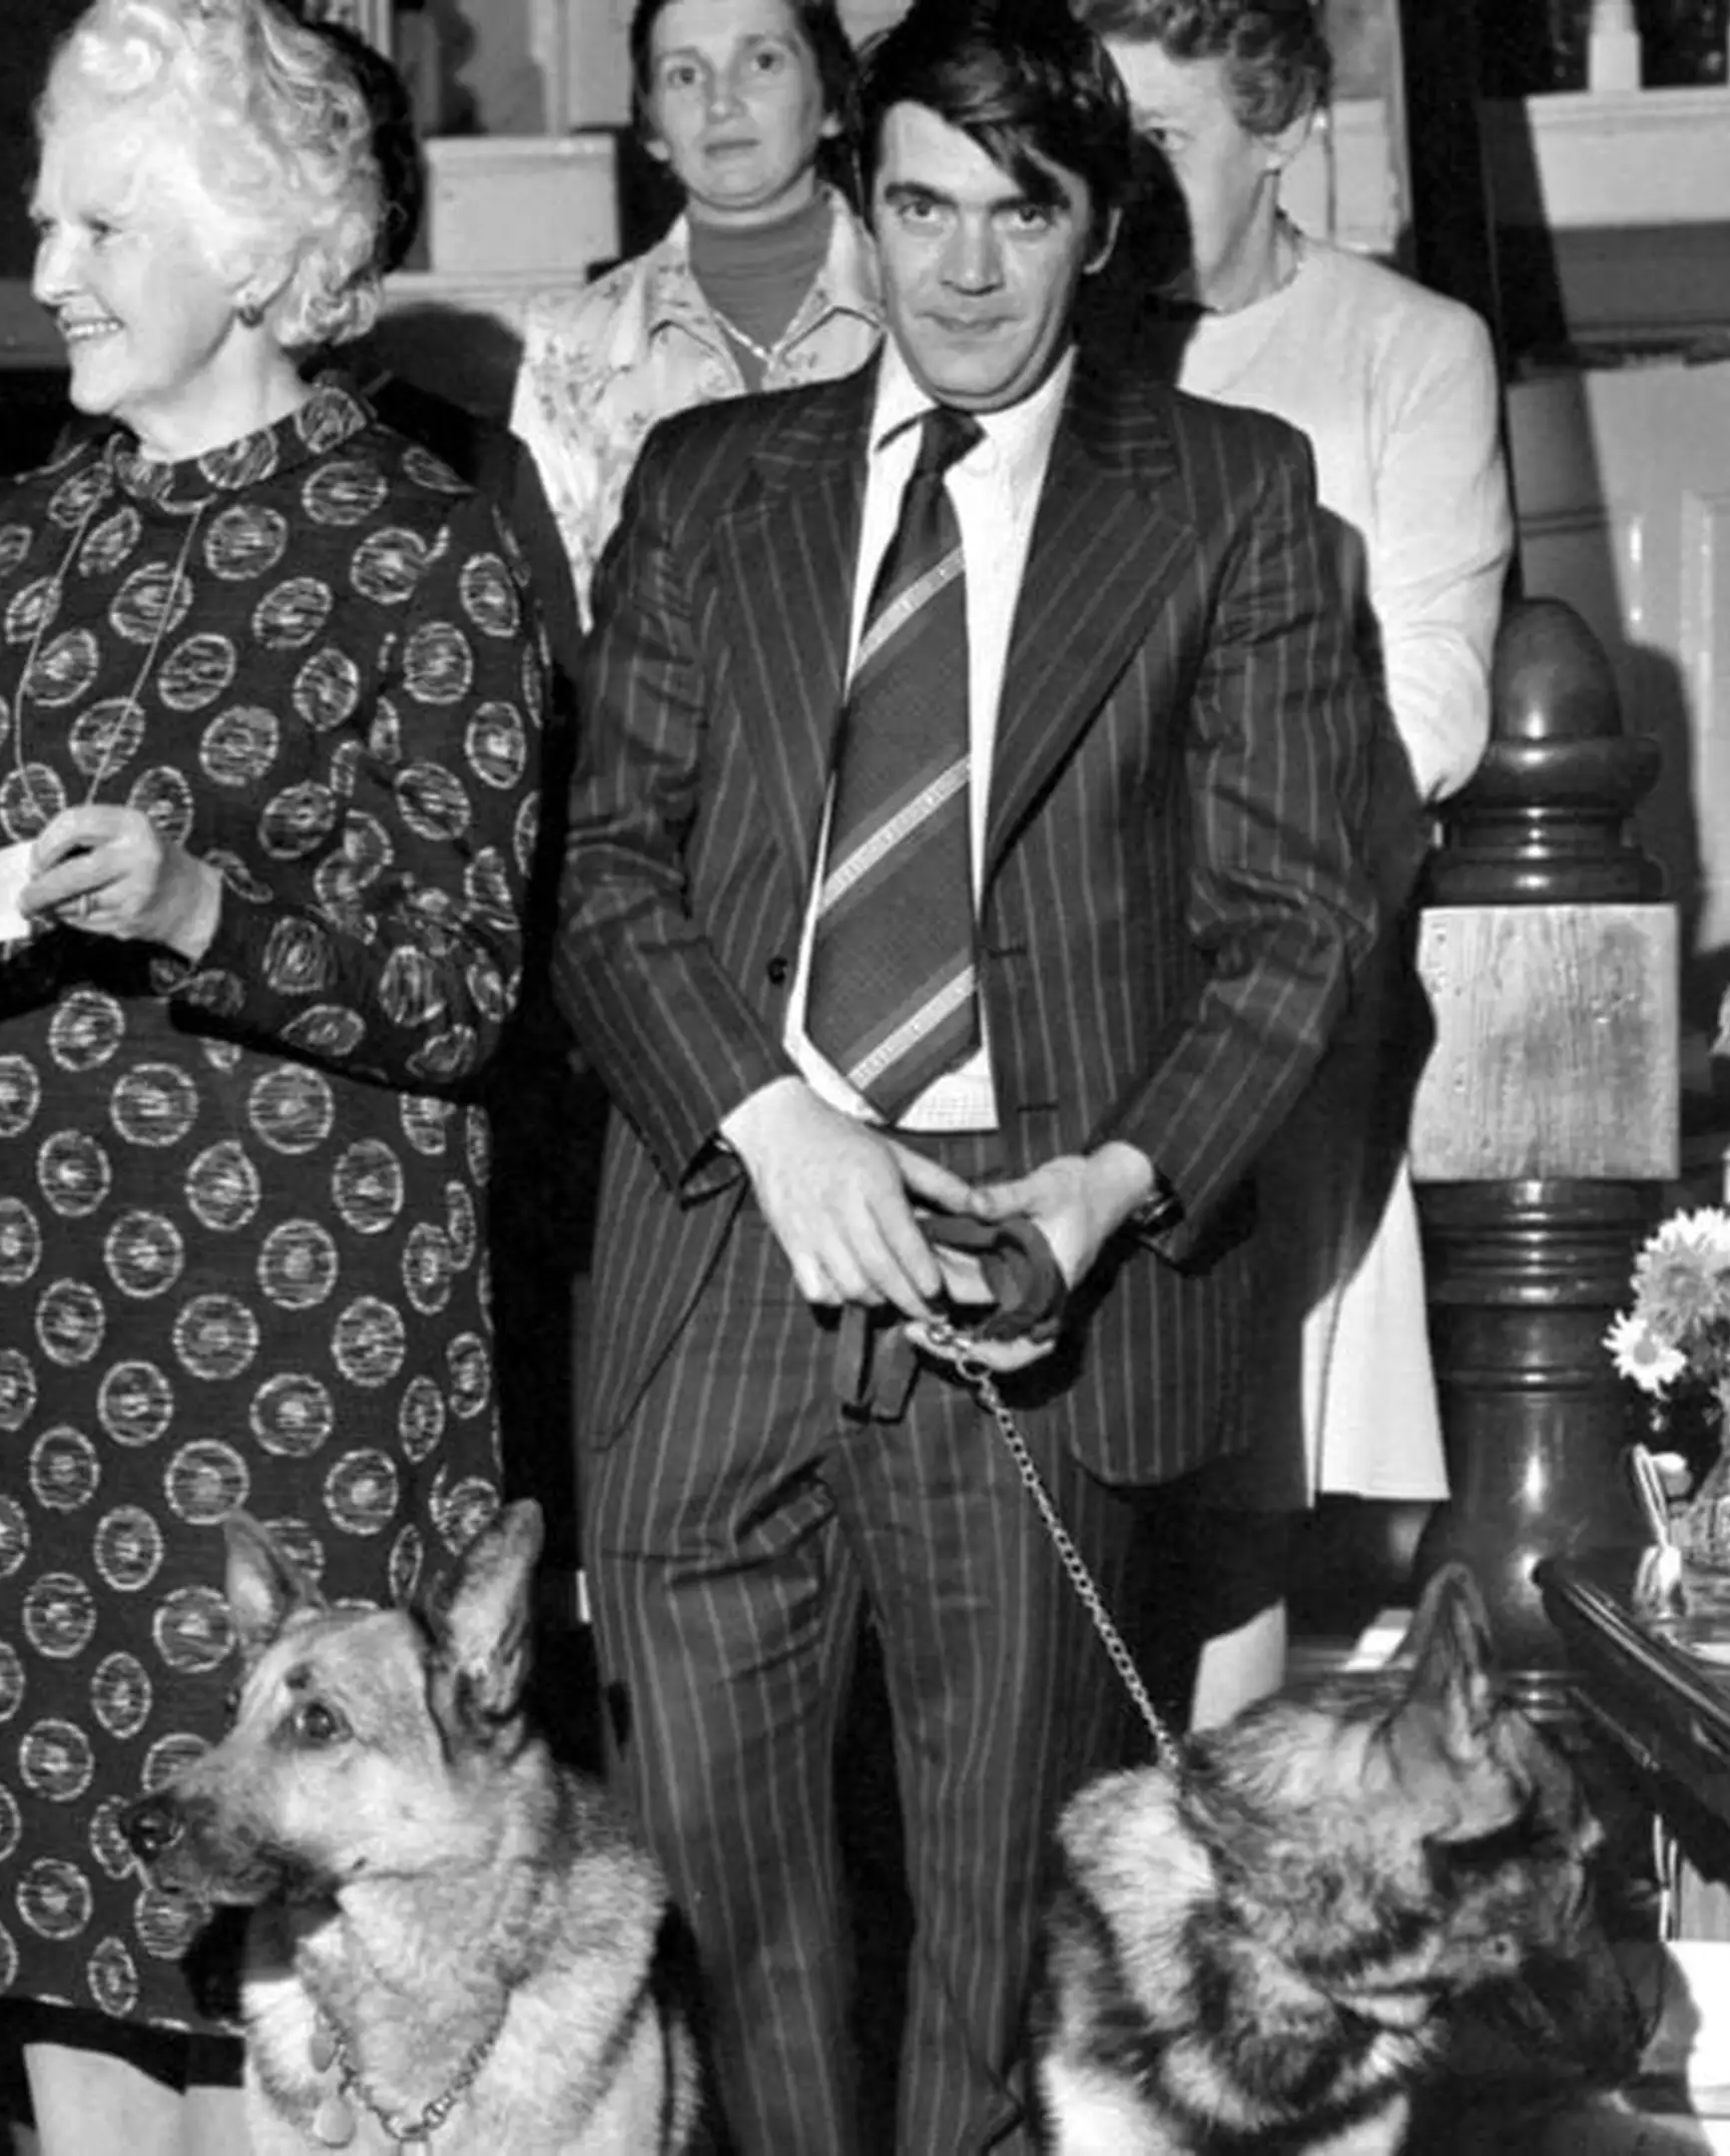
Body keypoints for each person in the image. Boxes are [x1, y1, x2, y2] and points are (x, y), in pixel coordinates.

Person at [548, 0, 1378, 2145]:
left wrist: (1114, 1185)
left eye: (1024, 213)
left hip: (1026, 1270)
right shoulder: (709, 484)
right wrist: (778, 1123)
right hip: (724, 1251)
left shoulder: (1230, 499)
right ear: (864, 205)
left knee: (996, 1938)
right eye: (921, 208)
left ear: (1100, 228)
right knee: (717, 1939)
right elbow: (606, 881)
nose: (967, 268)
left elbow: (1298, 926)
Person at [0, 1, 544, 2147]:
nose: (46, 268)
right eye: (46, 219)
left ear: (248, 251)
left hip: (300, 1380)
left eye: (97, 226)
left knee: (300, 1978)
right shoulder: (6, 548)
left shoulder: (423, 547)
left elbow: (463, 989)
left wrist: (206, 910)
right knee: (59, 1922)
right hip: (27, 1385)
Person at [1076, 0, 1510, 1731]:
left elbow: (1438, 702)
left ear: (1282, 134)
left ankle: (1224, 1833)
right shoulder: (1061, 333)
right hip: (1063, 964)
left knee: (1240, 1454)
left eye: (1160, 140)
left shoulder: (1408, 346)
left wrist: (1225, 860)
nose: (1116, 185)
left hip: (1281, 970)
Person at [509, 0, 881, 621]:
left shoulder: (922, 313)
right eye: (684, 75)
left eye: (762, 62)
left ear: (831, 103)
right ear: (652, 126)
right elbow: (560, 622)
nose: (720, 102)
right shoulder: (573, 345)